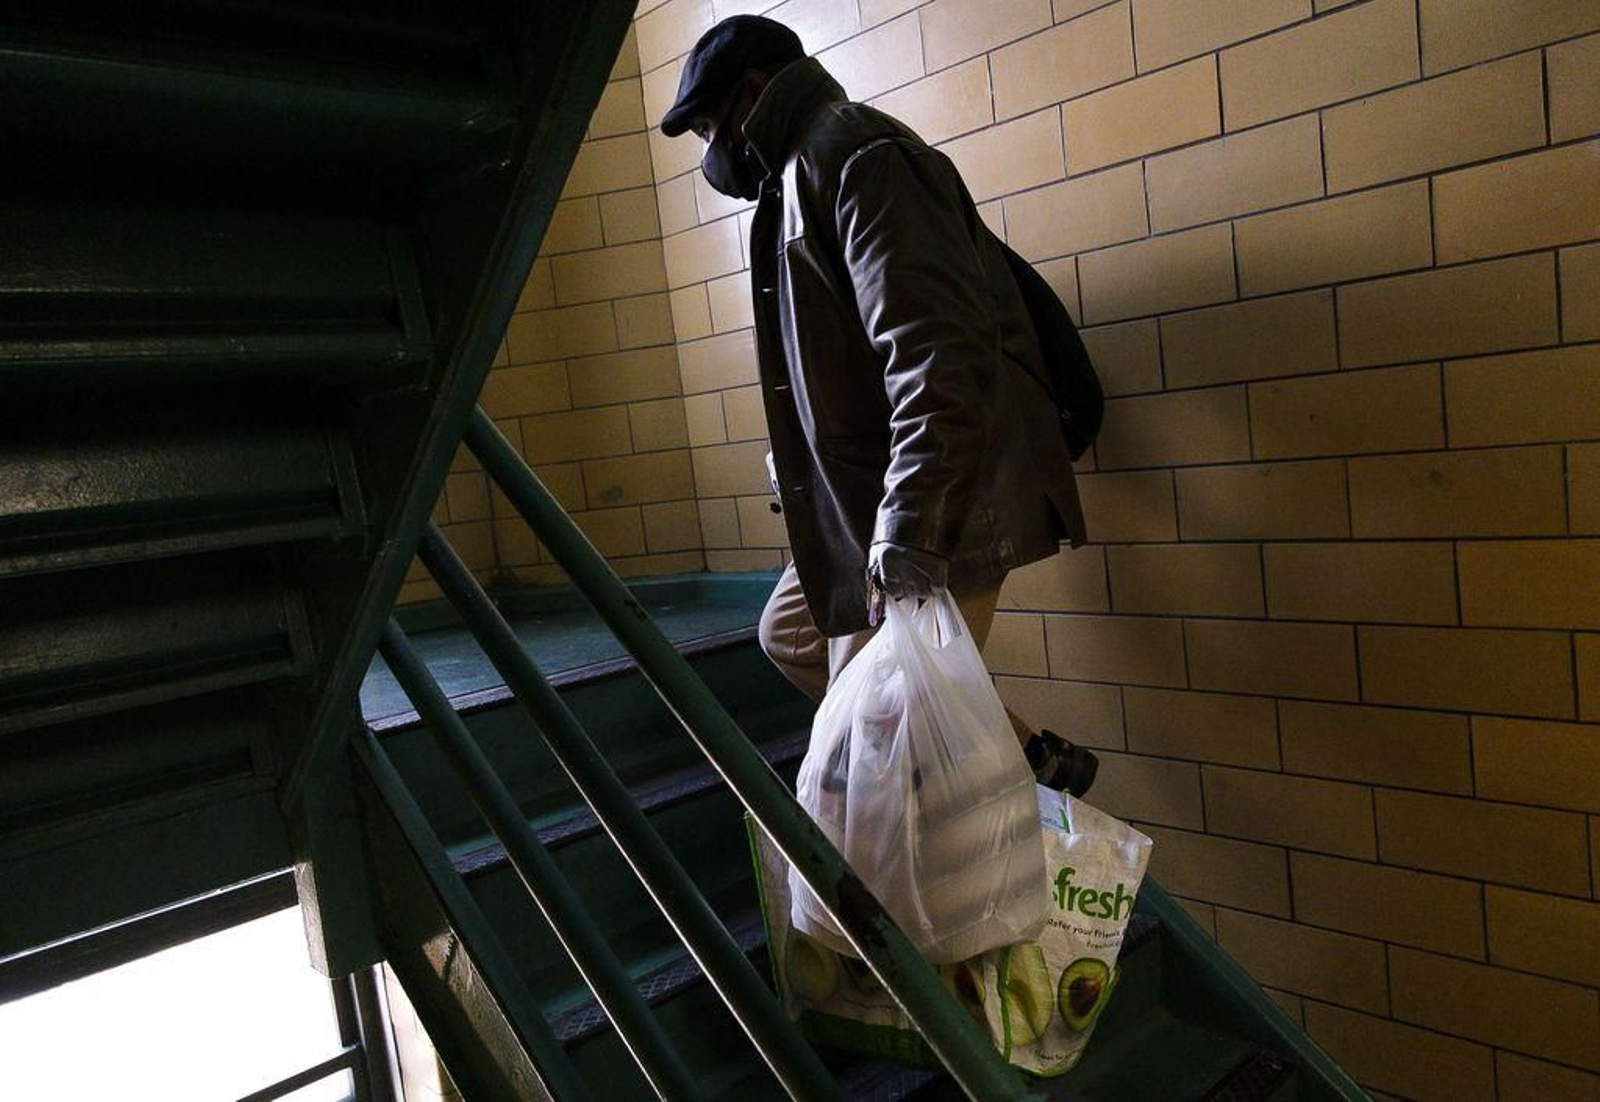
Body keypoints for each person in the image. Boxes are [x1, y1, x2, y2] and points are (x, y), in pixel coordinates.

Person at [658, 16, 1097, 796]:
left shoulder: (855, 156)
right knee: (793, 635)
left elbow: (939, 354)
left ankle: (985, 862)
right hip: (867, 498)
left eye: (707, 127)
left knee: (865, 765)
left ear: (755, 93)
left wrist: (910, 527)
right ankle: (1024, 761)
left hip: (946, 494)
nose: (709, 155)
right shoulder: (799, 173)